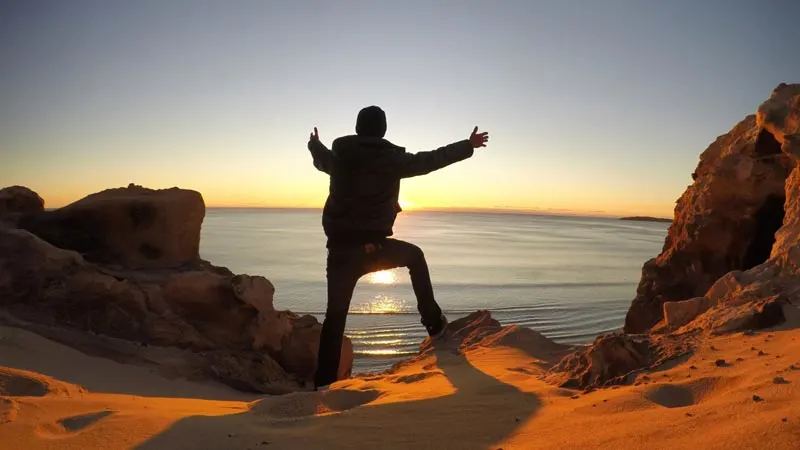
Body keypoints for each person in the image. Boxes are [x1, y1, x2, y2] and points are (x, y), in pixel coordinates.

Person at [307, 105, 489, 389]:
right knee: (415, 257)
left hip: (340, 251)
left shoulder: (339, 158)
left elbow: (321, 159)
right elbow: (431, 160)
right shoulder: (391, 160)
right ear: (383, 130)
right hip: (375, 249)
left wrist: (313, 143)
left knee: (335, 317)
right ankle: (434, 325)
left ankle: (323, 384)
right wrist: (468, 145)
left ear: (357, 128)